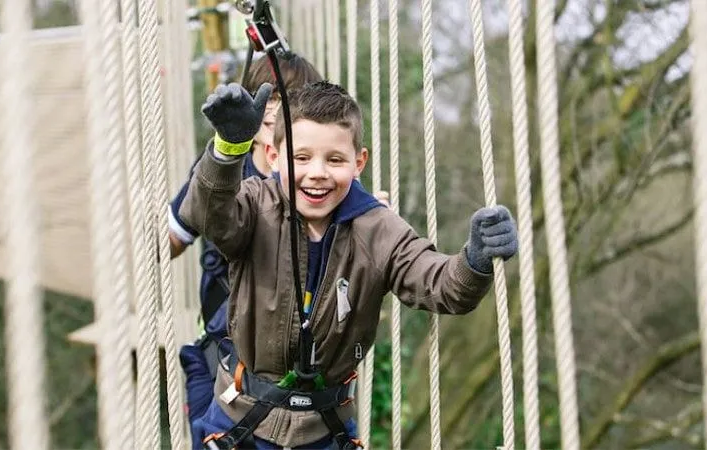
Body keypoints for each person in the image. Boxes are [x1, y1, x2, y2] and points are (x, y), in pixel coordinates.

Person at [179, 80, 519, 449]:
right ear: (273, 157)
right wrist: (227, 152)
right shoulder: (256, 206)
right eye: (301, 157)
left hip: (322, 433)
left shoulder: (378, 230)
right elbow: (211, 216)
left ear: (359, 163)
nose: (318, 173)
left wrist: (475, 260)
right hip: (239, 424)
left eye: (335, 159)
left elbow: (439, 283)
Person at [169, 53, 325, 424]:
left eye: (287, 100)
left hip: (298, 373)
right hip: (223, 359)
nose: (274, 111)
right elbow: (172, 238)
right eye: (266, 98)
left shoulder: (322, 178)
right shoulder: (220, 169)